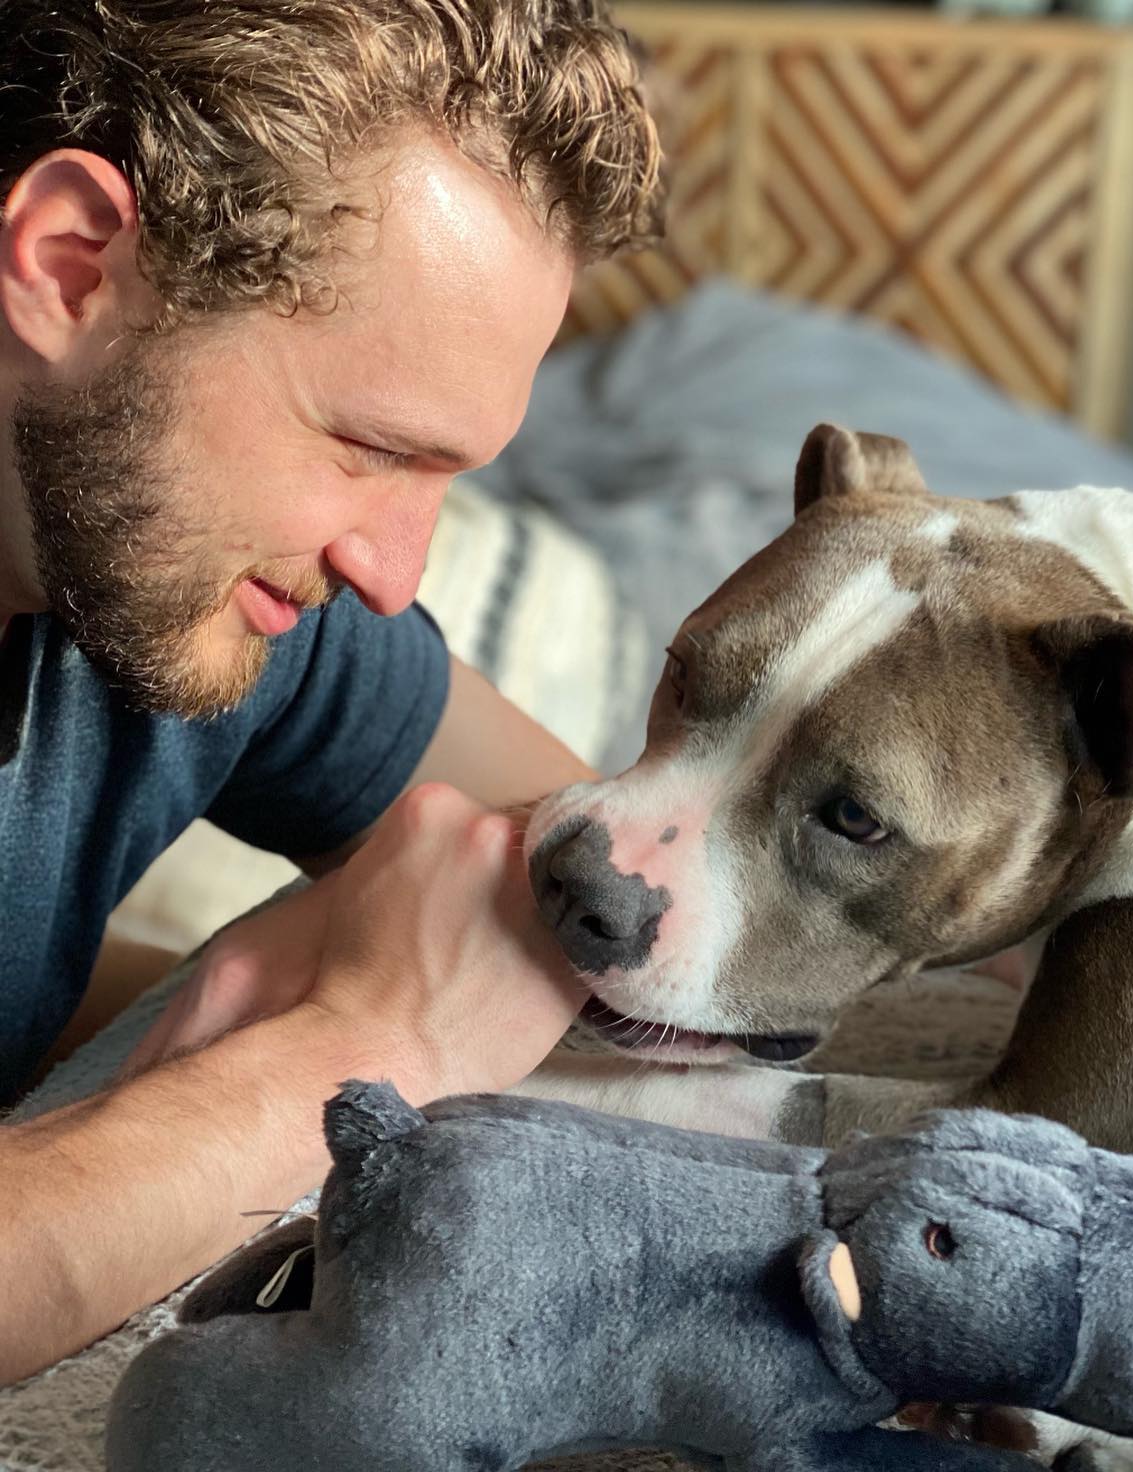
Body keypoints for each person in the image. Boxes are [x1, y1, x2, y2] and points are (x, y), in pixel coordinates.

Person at [0, 0, 662, 1382]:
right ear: (72, 267)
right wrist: (356, 1047)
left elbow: (617, 860)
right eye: (366, 446)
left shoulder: (206, 577)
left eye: (449, 478)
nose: (389, 570)